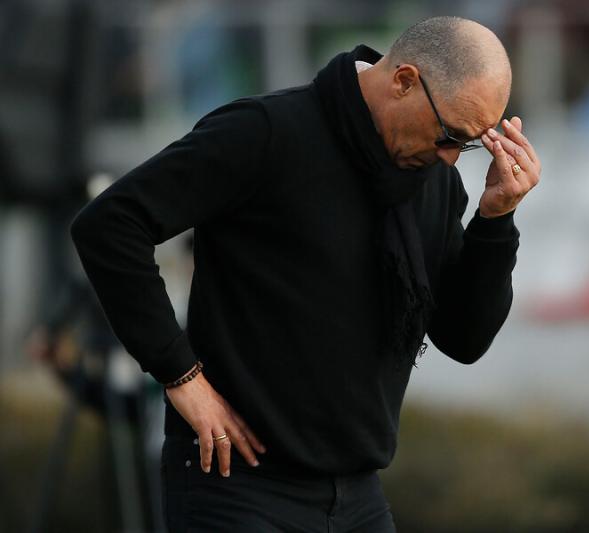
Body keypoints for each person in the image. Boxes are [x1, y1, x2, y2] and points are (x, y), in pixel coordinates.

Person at [70, 16, 541, 532]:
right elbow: (111, 225)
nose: (451, 157)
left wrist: (496, 221)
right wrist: (180, 376)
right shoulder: (268, 131)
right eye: (450, 134)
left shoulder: (432, 179)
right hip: (237, 486)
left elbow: (463, 337)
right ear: (404, 81)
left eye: (470, 142)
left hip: (357, 495)